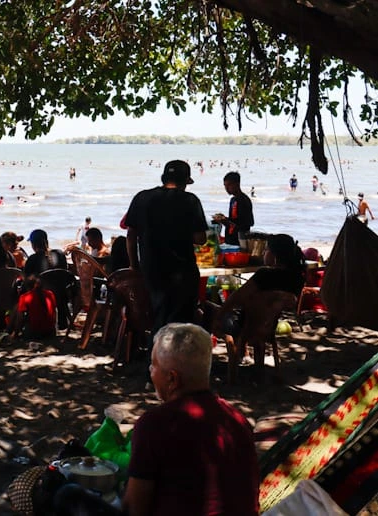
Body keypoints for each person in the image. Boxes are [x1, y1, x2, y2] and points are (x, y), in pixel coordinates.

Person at [122, 323, 259, 516]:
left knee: (71, 494)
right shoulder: (237, 420)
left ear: (172, 379)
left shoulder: (155, 424)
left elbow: (133, 509)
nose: (151, 371)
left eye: (153, 365)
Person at [124, 160, 208, 334]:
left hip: (151, 270)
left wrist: (134, 265)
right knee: (180, 323)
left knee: (159, 315)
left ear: (164, 178)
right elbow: (200, 238)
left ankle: (156, 356)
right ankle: (168, 357)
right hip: (182, 271)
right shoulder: (190, 201)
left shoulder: (142, 198)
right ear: (185, 181)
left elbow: (131, 235)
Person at [209, 234, 306, 367]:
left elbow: (235, 298)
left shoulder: (265, 275)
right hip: (268, 327)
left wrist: (218, 316)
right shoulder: (297, 277)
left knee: (204, 308)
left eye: (266, 250)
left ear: (275, 256)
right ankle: (246, 356)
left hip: (241, 327)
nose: (264, 253)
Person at [9, 275, 57, 340]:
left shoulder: (25, 297)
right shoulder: (50, 294)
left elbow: (20, 318)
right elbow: (54, 312)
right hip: (51, 331)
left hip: (34, 333)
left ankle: (9, 329)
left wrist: (15, 333)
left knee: (17, 308)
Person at [213, 171, 254, 246]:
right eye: (225, 185)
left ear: (237, 184)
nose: (226, 188)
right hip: (229, 239)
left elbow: (249, 223)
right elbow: (233, 220)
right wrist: (224, 219)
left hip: (239, 241)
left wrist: (227, 221)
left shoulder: (244, 200)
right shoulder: (233, 200)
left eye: (229, 185)